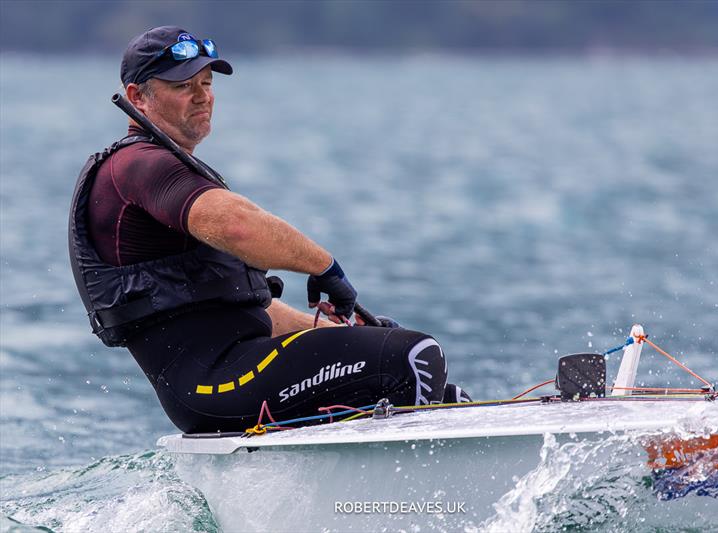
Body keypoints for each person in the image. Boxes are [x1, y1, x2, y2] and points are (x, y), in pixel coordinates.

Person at [69, 26, 469, 435]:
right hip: (217, 384)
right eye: (183, 85)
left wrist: (332, 332)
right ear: (138, 97)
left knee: (446, 394)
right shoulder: (138, 166)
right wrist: (327, 269)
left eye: (206, 83)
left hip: (234, 375)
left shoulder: (158, 170)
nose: (202, 95)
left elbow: (238, 307)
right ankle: (407, 486)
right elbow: (238, 225)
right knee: (415, 357)